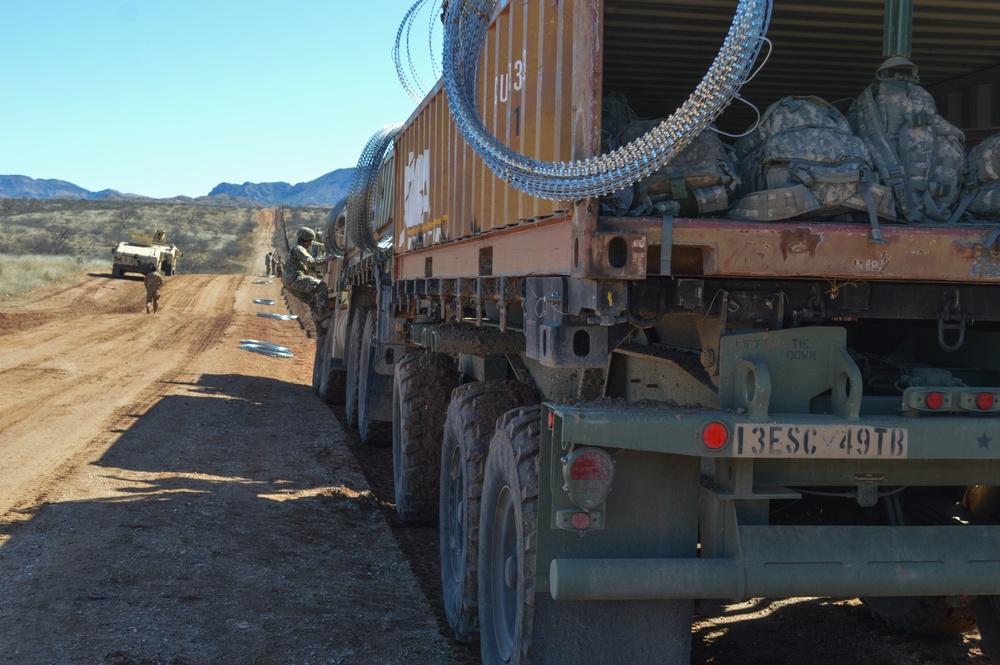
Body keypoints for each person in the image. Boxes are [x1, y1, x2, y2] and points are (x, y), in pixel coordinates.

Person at [282, 227, 334, 322]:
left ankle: (320, 330)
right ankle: (323, 313)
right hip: (294, 279)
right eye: (308, 241)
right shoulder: (299, 248)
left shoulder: (296, 248)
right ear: (302, 240)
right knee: (321, 286)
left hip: (288, 282)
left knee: (313, 300)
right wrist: (326, 259)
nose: (310, 243)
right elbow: (310, 262)